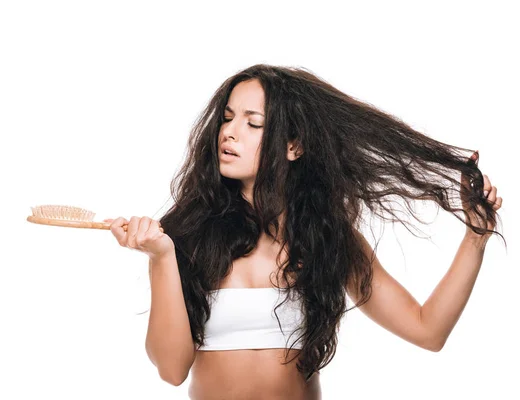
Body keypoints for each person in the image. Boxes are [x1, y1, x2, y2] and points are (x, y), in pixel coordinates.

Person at [104, 64, 504, 400]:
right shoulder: (187, 238)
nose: (229, 132)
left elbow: (427, 330)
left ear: (293, 146)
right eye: (227, 118)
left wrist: (475, 238)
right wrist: (161, 256)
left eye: (252, 122)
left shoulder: (329, 240)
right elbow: (172, 370)